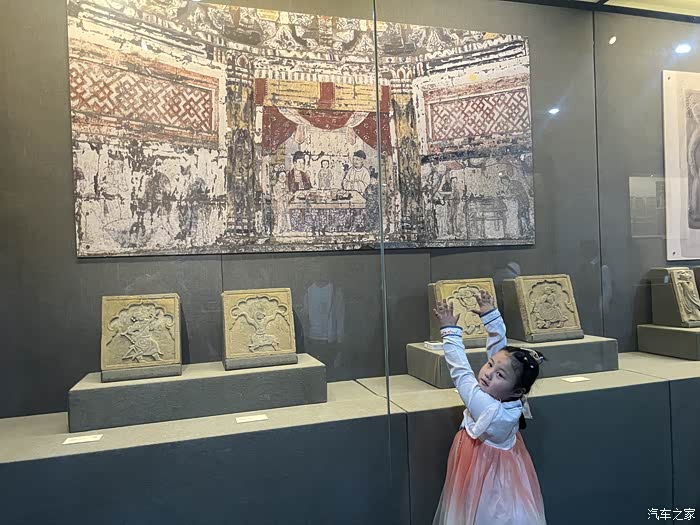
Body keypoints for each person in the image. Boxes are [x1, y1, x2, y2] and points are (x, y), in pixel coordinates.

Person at [432, 290, 547, 525]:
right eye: (489, 365)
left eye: (499, 375)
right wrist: (491, 318)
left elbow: (461, 373)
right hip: (505, 467)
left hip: (480, 467)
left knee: (481, 513)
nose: (488, 373)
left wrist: (450, 332)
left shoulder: (486, 407)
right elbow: (501, 355)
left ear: (517, 390)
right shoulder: (512, 399)